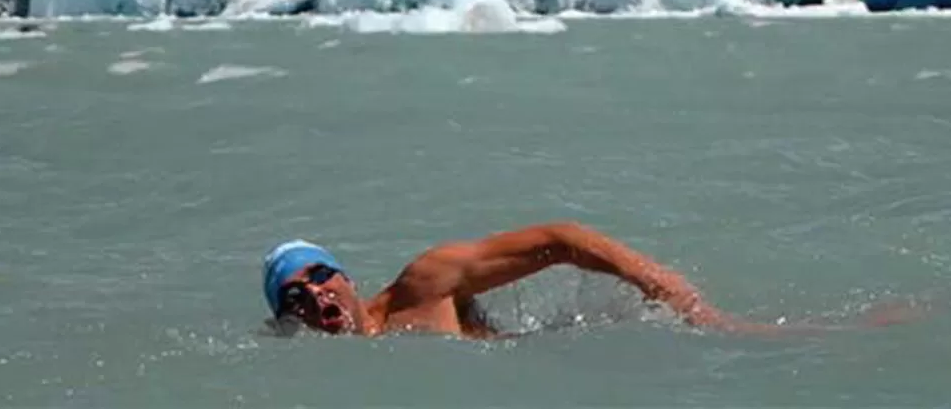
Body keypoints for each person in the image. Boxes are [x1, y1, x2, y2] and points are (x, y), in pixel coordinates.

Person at [261, 221, 922, 339]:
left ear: (344, 276)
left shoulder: (423, 287)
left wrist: (672, 292)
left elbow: (561, 240)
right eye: (296, 294)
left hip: (625, 350)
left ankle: (881, 326)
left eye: (320, 277)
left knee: (763, 336)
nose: (316, 294)